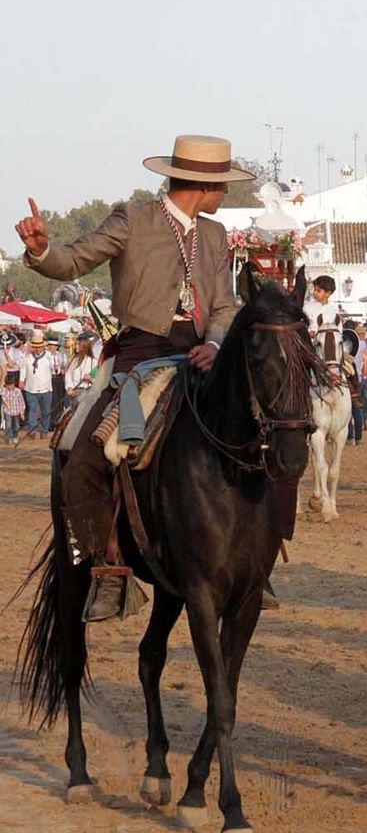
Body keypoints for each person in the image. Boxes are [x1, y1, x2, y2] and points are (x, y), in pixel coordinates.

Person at [14, 134, 250, 619]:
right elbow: (75, 259)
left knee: (262, 438)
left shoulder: (215, 236)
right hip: (139, 358)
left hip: (203, 359)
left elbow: (224, 305)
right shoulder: (133, 218)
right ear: (204, 186)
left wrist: (215, 342)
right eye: (222, 184)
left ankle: (251, 562)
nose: (224, 193)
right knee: (83, 459)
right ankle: (105, 568)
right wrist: (41, 251)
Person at [18, 330, 57, 437]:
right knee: (32, 410)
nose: (37, 349)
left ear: (43, 347)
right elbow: (23, 369)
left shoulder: (49, 356)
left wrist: (55, 365)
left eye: (39, 346)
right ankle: (32, 430)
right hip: (31, 387)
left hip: (46, 388)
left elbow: (55, 371)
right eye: (35, 346)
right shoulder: (27, 357)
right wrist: (21, 380)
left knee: (45, 411)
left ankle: (44, 431)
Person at [303, 274, 342, 365]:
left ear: (328, 293)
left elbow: (339, 331)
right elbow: (302, 325)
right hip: (308, 347)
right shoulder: (307, 308)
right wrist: (308, 333)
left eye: (318, 291)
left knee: (349, 367)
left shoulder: (334, 310)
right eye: (314, 290)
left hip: (329, 350)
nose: (314, 293)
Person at [2, 369, 23, 446]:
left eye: (11, 385)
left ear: (14, 384)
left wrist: (22, 412)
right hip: (8, 411)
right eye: (8, 385)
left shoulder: (17, 391)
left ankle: (15, 436)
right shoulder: (3, 390)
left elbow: (21, 402)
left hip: (16, 411)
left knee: (16, 425)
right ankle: (10, 437)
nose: (9, 387)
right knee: (8, 425)